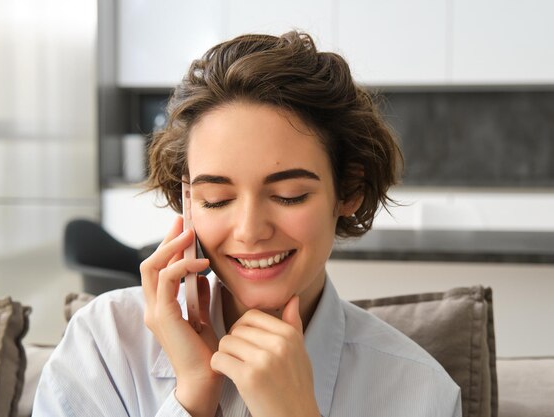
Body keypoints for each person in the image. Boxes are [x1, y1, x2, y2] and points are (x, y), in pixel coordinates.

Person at [33, 31, 461, 417]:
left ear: (348, 189)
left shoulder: (419, 392)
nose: (249, 230)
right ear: (188, 199)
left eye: (289, 195)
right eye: (216, 199)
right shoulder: (104, 346)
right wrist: (193, 397)